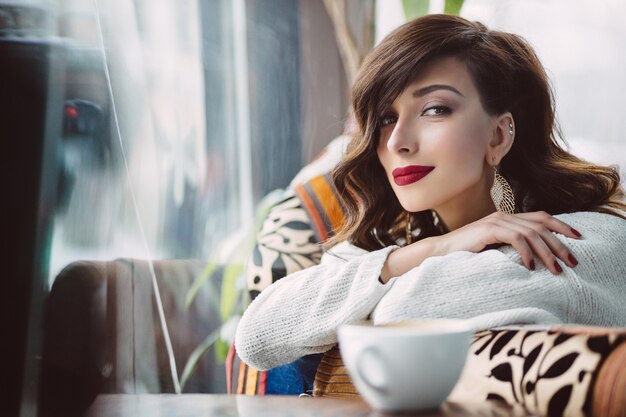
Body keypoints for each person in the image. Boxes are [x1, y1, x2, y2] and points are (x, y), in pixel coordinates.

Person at [235, 14, 626, 372]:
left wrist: (357, 306)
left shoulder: (583, 237)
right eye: (387, 118)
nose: (398, 142)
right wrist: (436, 249)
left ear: (498, 134)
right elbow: (257, 336)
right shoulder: (400, 241)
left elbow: (405, 314)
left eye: (435, 109)